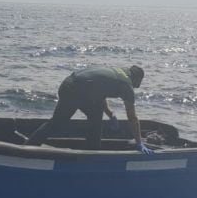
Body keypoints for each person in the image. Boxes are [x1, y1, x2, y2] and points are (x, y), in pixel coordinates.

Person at [25, 65, 154, 153]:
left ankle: (92, 150)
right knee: (57, 124)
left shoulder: (116, 72)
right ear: (137, 79)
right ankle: (27, 150)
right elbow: (132, 117)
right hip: (76, 90)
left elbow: (99, 93)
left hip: (68, 83)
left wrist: (110, 114)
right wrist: (139, 143)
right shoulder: (126, 86)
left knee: (96, 114)